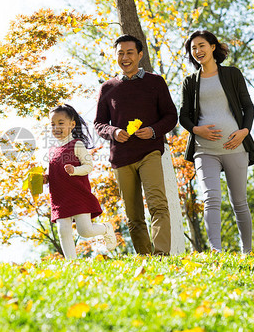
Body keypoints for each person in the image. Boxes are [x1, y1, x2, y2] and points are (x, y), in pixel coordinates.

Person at [94, 34, 178, 256]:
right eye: (120, 53)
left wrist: (153, 131)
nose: (125, 57)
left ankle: (161, 255)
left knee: (158, 205)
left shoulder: (155, 82)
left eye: (130, 52)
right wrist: (114, 131)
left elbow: (171, 116)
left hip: (149, 151)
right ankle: (146, 258)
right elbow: (99, 123)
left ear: (140, 55)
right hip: (121, 158)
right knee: (133, 216)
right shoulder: (107, 88)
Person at [179, 30, 254, 254]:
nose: (198, 51)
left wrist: (244, 131)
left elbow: (248, 107)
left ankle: (247, 252)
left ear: (213, 47)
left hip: (235, 146)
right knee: (210, 197)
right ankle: (216, 250)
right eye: (193, 48)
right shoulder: (190, 82)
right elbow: (183, 115)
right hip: (205, 150)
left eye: (201, 45)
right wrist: (196, 129)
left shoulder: (232, 74)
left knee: (239, 202)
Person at [44, 104, 118, 259]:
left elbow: (88, 166)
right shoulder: (51, 151)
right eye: (52, 124)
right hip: (60, 198)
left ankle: (106, 228)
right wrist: (46, 178)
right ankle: (72, 263)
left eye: (61, 123)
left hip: (78, 194)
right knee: (63, 231)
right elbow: (54, 172)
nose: (56, 127)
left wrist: (75, 171)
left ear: (72, 125)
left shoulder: (76, 144)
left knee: (85, 231)